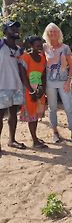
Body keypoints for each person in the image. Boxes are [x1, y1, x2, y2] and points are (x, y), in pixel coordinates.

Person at [43, 23, 72, 143]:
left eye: (55, 31)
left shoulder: (65, 48)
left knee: (69, 108)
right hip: (50, 83)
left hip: (63, 82)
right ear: (47, 33)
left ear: (59, 33)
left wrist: (68, 81)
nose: (53, 33)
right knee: (52, 108)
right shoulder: (44, 47)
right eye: (50, 31)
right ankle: (55, 132)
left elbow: (71, 65)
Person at [0, 20, 26, 156]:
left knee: (13, 114)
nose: (16, 29)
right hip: (2, 86)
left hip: (16, 86)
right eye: (12, 28)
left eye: (17, 27)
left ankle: (12, 140)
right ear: (5, 31)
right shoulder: (0, 44)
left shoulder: (19, 50)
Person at [19, 36, 48, 148]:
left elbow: (44, 75)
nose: (40, 47)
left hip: (39, 90)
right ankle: (34, 140)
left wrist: (42, 89)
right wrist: (31, 91)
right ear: (31, 46)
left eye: (41, 45)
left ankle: (35, 137)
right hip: (29, 90)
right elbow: (23, 76)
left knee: (36, 114)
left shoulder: (42, 58)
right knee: (31, 115)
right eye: (37, 45)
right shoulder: (25, 57)